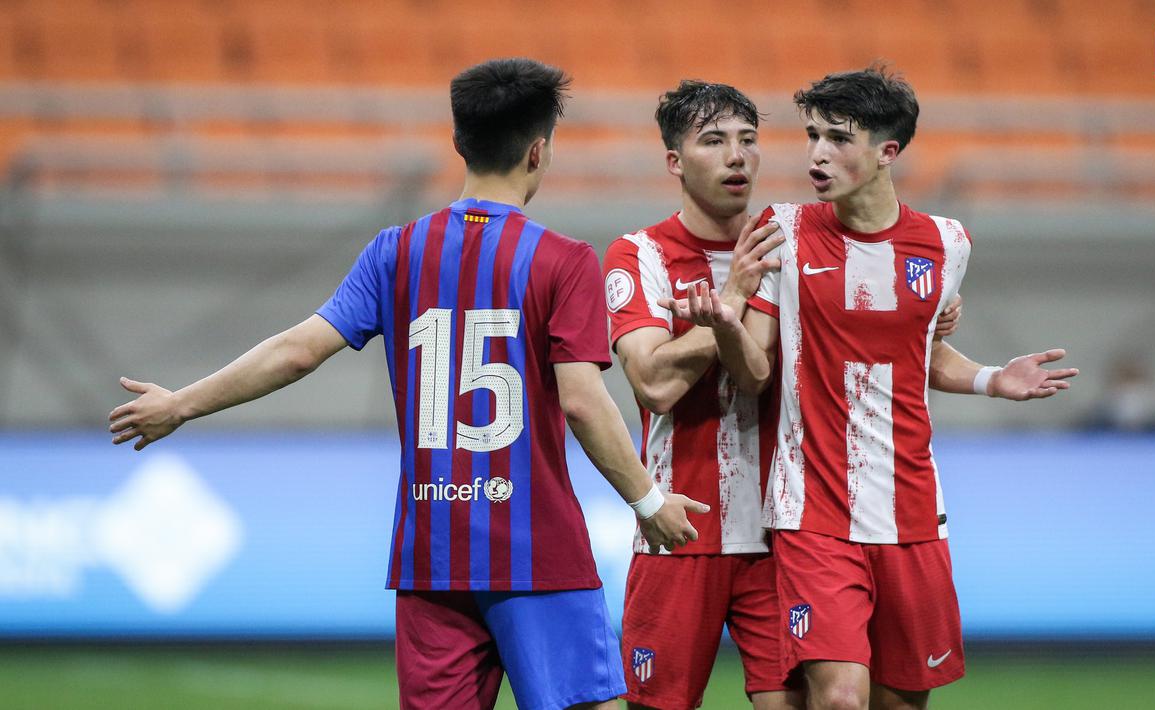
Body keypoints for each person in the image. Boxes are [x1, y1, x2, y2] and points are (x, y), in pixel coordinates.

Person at [108, 58, 707, 710]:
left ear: (458, 142)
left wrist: (180, 405)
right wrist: (649, 503)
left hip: (432, 557)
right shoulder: (561, 261)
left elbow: (296, 352)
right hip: (536, 555)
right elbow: (584, 402)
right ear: (538, 152)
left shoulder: (395, 251)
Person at [661, 65, 1078, 710]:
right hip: (813, 511)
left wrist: (994, 378)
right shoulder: (785, 230)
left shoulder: (946, 243)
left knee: (900, 700)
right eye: (812, 135)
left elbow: (916, 356)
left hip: (913, 509)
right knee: (839, 698)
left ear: (888, 152)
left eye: (838, 139)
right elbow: (756, 372)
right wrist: (724, 326)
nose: (818, 154)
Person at [605, 81, 959, 710]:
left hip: (784, 532)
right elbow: (654, 385)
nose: (736, 157)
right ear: (675, 162)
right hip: (683, 527)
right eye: (714, 142)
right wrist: (733, 298)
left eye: (748, 140)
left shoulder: (791, 245)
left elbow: (870, 334)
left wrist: (936, 323)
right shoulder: (641, 254)